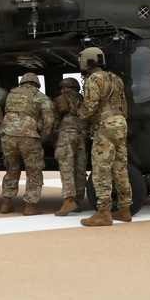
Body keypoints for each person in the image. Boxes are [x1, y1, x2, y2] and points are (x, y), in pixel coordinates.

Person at [77, 47, 133, 226]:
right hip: (120, 124)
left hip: (105, 127)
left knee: (101, 170)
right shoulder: (115, 78)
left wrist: (80, 115)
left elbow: (89, 106)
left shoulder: (93, 79)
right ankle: (125, 209)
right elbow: (124, 105)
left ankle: (103, 213)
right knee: (120, 169)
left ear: (87, 61)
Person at [0, 72, 55, 216]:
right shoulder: (41, 97)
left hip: (7, 135)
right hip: (28, 136)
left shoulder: (11, 95)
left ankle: (6, 203)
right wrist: (41, 139)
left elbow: (7, 112)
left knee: (11, 169)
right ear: (37, 84)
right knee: (33, 171)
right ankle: (30, 206)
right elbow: (49, 121)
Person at [52, 77, 89, 216]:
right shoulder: (84, 100)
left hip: (67, 134)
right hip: (82, 134)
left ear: (66, 88)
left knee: (66, 167)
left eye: (63, 88)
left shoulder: (61, 99)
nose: (61, 90)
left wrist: (53, 135)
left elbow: (54, 120)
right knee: (80, 169)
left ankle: (68, 201)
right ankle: (78, 201)